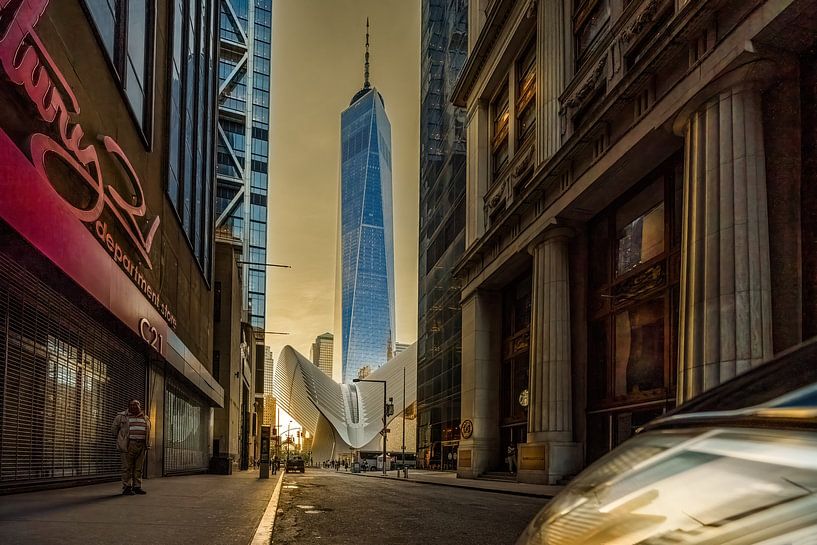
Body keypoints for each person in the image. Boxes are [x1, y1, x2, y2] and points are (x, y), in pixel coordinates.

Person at [112, 399, 151, 495]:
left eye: (137, 404)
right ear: (128, 406)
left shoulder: (145, 418)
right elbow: (114, 430)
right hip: (128, 445)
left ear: (140, 406)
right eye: (132, 405)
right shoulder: (121, 417)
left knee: (139, 468)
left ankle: (137, 486)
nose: (135, 406)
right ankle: (127, 487)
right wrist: (121, 440)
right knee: (127, 467)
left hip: (142, 445)